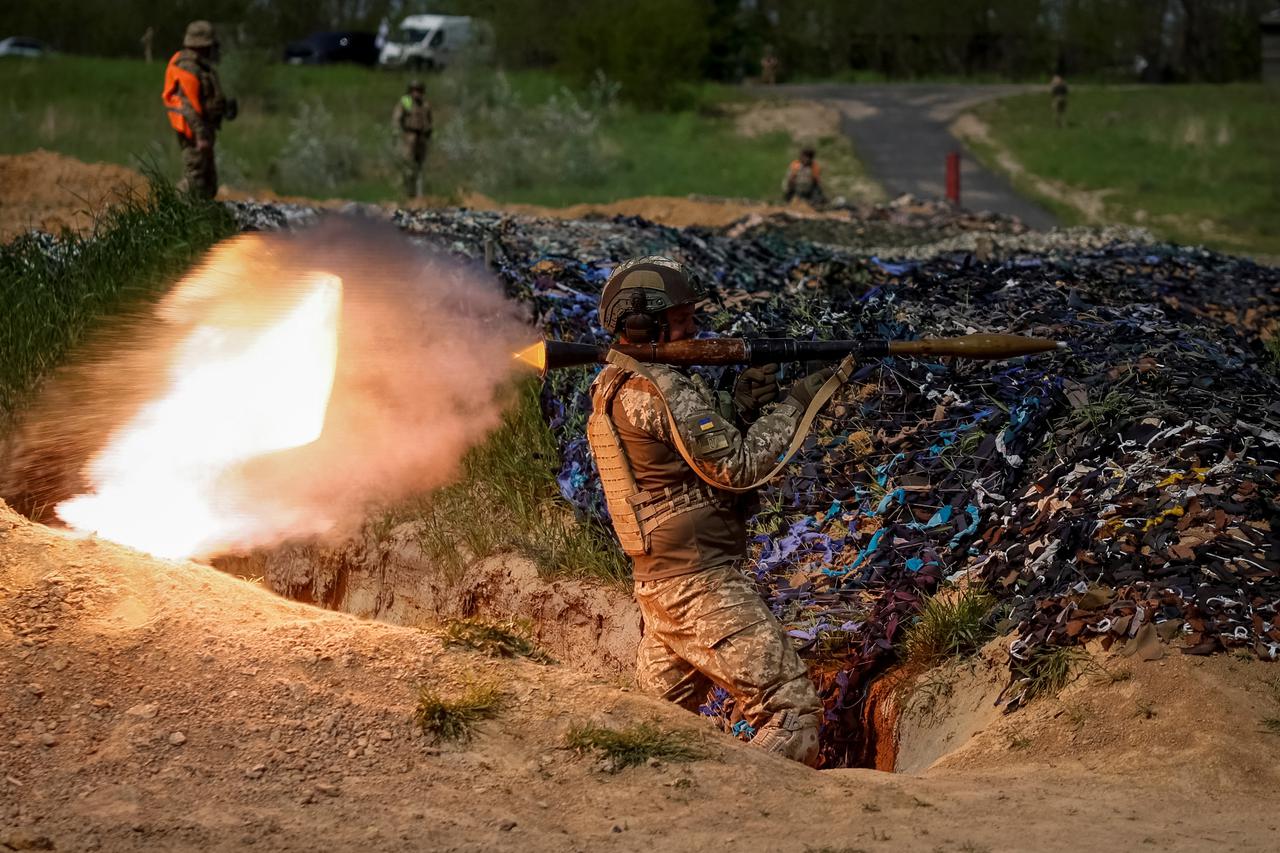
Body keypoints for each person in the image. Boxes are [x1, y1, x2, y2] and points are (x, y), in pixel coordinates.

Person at [586, 256, 853, 767]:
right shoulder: (658, 388)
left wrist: (743, 407)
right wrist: (799, 399)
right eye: (683, 321)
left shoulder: (616, 383)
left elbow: (684, 462)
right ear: (642, 324)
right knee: (790, 714)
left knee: (651, 731)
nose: (695, 330)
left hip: (664, 581)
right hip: (698, 582)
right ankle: (752, 819)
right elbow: (739, 467)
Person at [161, 21, 236, 200]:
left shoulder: (201, 68)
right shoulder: (188, 67)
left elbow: (204, 100)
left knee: (208, 183)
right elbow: (187, 106)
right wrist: (200, 135)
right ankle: (172, 209)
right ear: (202, 45)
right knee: (194, 178)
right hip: (194, 133)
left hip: (203, 130)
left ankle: (201, 219)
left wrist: (223, 108)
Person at [392, 80, 433, 198]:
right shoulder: (406, 102)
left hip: (422, 136)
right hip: (409, 135)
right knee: (408, 164)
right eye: (414, 90)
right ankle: (407, 192)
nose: (417, 93)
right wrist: (396, 131)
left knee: (420, 165)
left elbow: (430, 119)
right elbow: (397, 117)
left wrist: (429, 132)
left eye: (419, 90)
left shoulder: (425, 104)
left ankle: (419, 193)